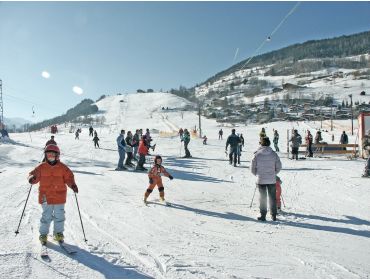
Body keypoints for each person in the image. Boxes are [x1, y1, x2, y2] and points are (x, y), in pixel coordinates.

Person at [28, 144, 78, 244]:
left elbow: (69, 177)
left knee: (60, 216)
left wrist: (72, 185)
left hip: (59, 196)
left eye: (52, 155)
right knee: (46, 216)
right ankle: (43, 234)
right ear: (45, 156)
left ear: (57, 156)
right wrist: (31, 178)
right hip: (45, 196)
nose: (50, 157)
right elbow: (33, 174)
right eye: (48, 155)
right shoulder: (41, 167)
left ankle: (58, 233)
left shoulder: (63, 168)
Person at [251, 137, 282, 221]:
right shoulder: (273, 154)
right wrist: (274, 173)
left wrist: (257, 174)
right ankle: (273, 215)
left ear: (261, 143)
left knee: (262, 197)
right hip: (271, 179)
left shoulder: (257, 154)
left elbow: (252, 168)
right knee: (272, 197)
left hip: (261, 179)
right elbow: (279, 166)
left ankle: (263, 215)